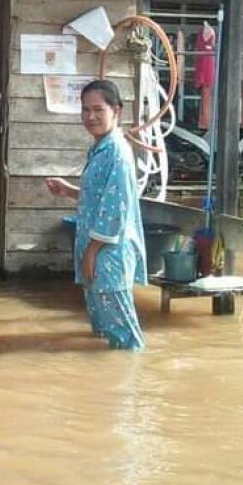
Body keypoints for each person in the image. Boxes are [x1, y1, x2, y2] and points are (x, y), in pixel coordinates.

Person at [45, 80, 146, 350]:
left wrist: (91, 252)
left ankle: (130, 388)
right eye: (86, 110)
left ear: (116, 111)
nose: (91, 117)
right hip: (95, 254)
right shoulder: (100, 149)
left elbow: (115, 211)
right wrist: (69, 191)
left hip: (107, 257)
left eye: (98, 110)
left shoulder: (118, 153)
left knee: (126, 342)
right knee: (102, 333)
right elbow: (101, 197)